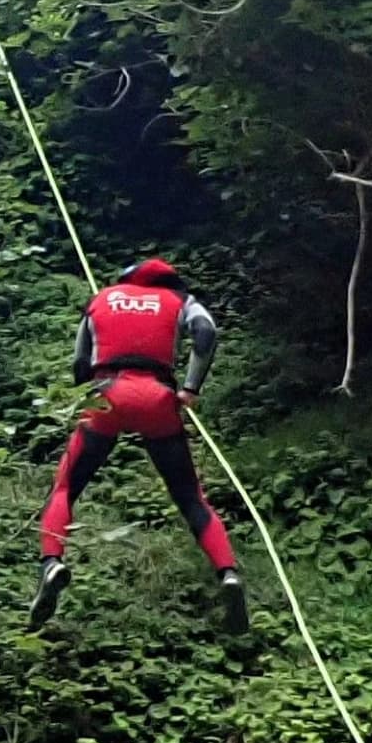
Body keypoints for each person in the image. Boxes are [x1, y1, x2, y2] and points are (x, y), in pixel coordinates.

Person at [31, 258, 247, 632]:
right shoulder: (180, 300)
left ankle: (52, 563)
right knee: (190, 498)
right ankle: (227, 573)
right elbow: (206, 332)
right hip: (158, 398)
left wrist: (88, 393)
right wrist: (191, 388)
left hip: (107, 394)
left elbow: (81, 361)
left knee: (66, 487)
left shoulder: (104, 297)